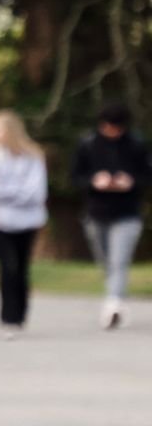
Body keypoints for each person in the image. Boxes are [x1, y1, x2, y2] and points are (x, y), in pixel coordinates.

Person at [71, 102, 148, 330]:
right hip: (96, 213)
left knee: (119, 261)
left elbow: (147, 174)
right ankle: (114, 296)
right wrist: (94, 181)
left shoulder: (136, 145)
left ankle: (113, 305)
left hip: (127, 213)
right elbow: (75, 176)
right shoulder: (87, 144)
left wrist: (131, 181)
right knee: (105, 261)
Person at [0, 111, 48, 339]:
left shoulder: (33, 156)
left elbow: (36, 192)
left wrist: (6, 192)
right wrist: (15, 193)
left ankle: (20, 314)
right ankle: (7, 317)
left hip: (27, 221)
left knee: (21, 268)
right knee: (7, 267)